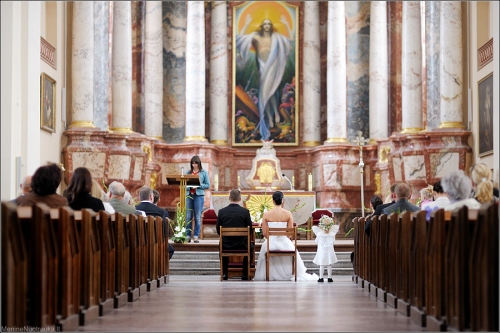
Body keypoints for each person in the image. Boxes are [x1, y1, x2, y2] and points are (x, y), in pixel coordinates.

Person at [236, 15, 294, 140]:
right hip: (262, 69)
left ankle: (275, 115)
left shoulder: (277, 38)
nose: (267, 26)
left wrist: (287, 26)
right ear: (262, 26)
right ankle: (269, 118)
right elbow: (240, 41)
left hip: (273, 68)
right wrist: (246, 25)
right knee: (264, 95)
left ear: (271, 26)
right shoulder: (256, 38)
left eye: (269, 24)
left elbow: (290, 42)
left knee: (272, 93)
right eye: (265, 24)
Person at [253, 191, 318, 281]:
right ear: (282, 200)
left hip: (270, 243)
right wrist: (284, 240)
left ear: (272, 201)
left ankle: (269, 274)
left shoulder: (266, 214)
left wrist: (272, 240)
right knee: (292, 249)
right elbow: (290, 233)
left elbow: (264, 233)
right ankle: (290, 273)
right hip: (285, 242)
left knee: (264, 250)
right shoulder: (288, 214)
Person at [216, 189, 254, 281]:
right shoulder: (245, 212)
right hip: (242, 245)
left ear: (229, 198)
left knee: (221, 244)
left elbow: (218, 230)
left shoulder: (222, 212)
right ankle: (245, 274)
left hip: (226, 244)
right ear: (240, 199)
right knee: (251, 247)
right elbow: (250, 229)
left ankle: (224, 273)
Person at [135, 186, 174, 259]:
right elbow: (165, 232)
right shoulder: (161, 212)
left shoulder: (134, 209)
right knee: (170, 250)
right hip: (156, 243)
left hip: (137, 243)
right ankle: (160, 268)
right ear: (151, 197)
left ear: (140, 197)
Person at [185, 155, 210, 243]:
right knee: (188, 217)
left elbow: (208, 185)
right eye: (192, 163)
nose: (194, 165)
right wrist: (189, 186)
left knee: (197, 217)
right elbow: (184, 184)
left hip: (198, 196)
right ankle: (188, 235)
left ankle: (196, 236)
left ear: (199, 163)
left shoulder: (203, 173)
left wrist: (198, 186)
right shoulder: (188, 172)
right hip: (189, 195)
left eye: (195, 163)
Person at [312, 214, 339, 283]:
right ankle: (329, 278)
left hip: (322, 252)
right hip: (329, 251)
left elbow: (316, 241)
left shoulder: (319, 234)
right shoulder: (332, 234)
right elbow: (333, 241)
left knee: (322, 265)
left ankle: (321, 278)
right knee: (329, 265)